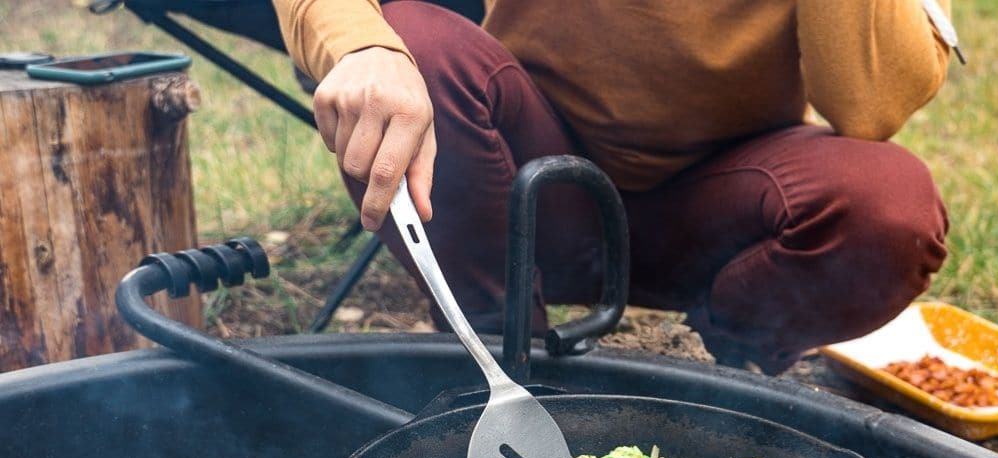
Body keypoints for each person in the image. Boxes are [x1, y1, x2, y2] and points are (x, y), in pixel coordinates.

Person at [273, 0, 953, 373]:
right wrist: (364, 46)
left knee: (887, 207)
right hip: (532, 191)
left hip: (721, 217)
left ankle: (724, 383)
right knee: (421, 43)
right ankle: (500, 368)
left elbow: (869, 106)